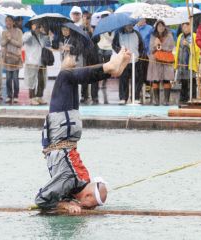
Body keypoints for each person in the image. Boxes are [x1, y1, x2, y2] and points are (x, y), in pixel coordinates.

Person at [35, 48, 131, 213]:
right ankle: (109, 68)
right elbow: (41, 199)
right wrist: (64, 205)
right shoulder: (69, 181)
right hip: (60, 132)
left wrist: (69, 202)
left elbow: (68, 192)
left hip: (71, 130)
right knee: (65, 76)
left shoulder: (83, 179)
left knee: (68, 75)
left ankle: (111, 71)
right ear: (86, 197)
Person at [112, 24, 145, 104]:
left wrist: (139, 55)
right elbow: (114, 45)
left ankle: (136, 97)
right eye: (128, 25)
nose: (130, 26)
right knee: (123, 79)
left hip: (135, 60)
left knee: (137, 79)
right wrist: (120, 50)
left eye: (131, 25)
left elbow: (141, 46)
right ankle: (123, 97)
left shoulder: (137, 34)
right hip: (123, 60)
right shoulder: (119, 34)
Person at [147, 20, 175, 106]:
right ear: (156, 27)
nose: (161, 28)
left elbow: (171, 47)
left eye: (162, 26)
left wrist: (162, 46)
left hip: (166, 60)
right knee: (156, 79)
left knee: (167, 79)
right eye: (159, 26)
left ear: (164, 27)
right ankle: (156, 100)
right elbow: (151, 49)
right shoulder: (153, 36)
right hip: (155, 60)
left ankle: (166, 100)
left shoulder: (169, 36)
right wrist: (155, 45)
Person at [23, 22, 50, 105]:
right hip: (31, 62)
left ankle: (39, 97)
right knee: (32, 80)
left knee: (42, 80)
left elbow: (47, 44)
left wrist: (46, 34)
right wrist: (32, 31)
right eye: (35, 25)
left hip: (42, 61)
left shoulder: (42, 35)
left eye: (38, 25)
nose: (37, 27)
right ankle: (32, 98)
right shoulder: (27, 34)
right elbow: (23, 40)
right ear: (31, 26)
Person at [174, 22, 200, 103]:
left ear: (190, 27)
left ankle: (193, 97)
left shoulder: (194, 36)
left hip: (190, 63)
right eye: (183, 26)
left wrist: (188, 45)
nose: (185, 28)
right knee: (183, 82)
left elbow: (197, 50)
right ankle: (183, 98)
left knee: (192, 81)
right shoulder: (180, 37)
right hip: (181, 63)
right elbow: (178, 49)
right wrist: (176, 63)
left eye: (187, 26)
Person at [0, 16, 23, 104]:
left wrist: (11, 39)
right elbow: (2, 43)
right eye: (6, 21)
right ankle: (9, 96)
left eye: (9, 21)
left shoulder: (19, 32)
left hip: (16, 59)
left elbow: (20, 44)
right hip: (7, 59)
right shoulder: (4, 32)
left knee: (15, 78)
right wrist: (6, 38)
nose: (8, 22)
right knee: (8, 79)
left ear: (13, 22)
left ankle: (16, 96)